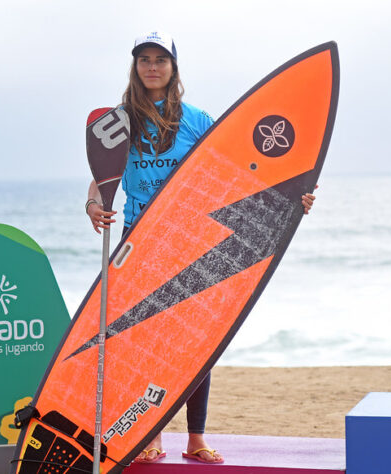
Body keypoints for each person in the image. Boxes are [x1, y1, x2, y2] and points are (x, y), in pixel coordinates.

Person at [85, 31, 317, 465]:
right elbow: (103, 174)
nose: (152, 67)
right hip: (139, 239)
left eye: (160, 59)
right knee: (144, 341)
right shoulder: (121, 121)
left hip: (190, 238)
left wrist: (291, 197)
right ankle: (149, 435)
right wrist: (93, 205)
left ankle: (196, 437)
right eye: (144, 60)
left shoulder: (197, 119)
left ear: (173, 67)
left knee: (196, 342)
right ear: (135, 67)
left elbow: (237, 171)